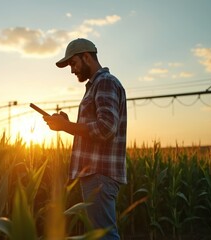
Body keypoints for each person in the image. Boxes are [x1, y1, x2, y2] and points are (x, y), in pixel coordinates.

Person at [43, 38, 127, 240]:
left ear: (87, 57)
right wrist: (67, 125)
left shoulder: (105, 82)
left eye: (73, 63)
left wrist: (65, 126)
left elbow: (106, 128)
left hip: (99, 173)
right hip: (96, 174)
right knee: (100, 235)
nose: (72, 70)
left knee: (104, 236)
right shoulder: (97, 85)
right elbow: (96, 129)